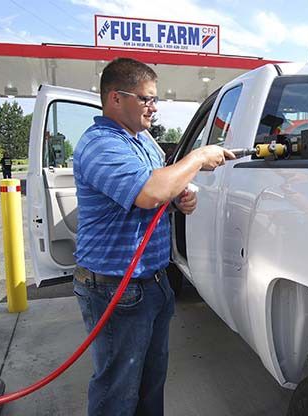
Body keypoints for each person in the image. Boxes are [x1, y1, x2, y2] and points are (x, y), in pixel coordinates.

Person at [72, 57, 235, 416]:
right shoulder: (100, 144)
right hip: (116, 288)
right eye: (146, 99)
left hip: (152, 282)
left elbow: (161, 187)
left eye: (154, 99)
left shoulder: (142, 140)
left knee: (150, 381)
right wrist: (196, 158)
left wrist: (179, 198)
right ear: (116, 99)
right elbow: (147, 192)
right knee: (118, 390)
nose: (153, 107)